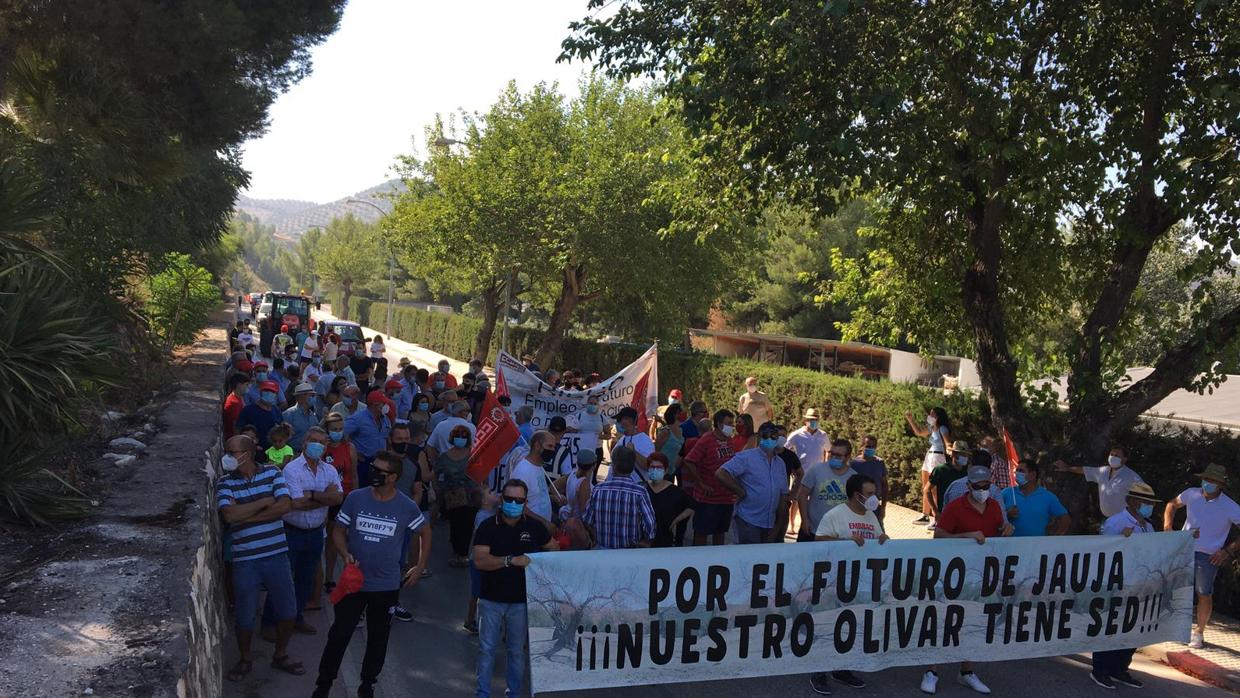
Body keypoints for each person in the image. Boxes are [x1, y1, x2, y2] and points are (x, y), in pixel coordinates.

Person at [312, 450, 431, 698]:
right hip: (353, 583)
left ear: (393, 478)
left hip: (386, 587)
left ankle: (367, 685)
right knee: (339, 633)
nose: (372, 472)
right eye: (373, 467)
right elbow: (338, 531)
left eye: (379, 471)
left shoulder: (405, 506)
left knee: (378, 638)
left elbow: (425, 532)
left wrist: (419, 566)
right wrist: (344, 554)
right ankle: (323, 685)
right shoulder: (356, 498)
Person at [217, 435, 302, 682]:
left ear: (248, 453)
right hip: (246, 560)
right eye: (227, 451)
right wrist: (265, 502)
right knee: (244, 614)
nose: (228, 457)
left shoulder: (273, 473)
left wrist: (245, 517)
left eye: (232, 452)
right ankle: (245, 659)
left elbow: (284, 506)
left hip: (276, 556)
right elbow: (229, 515)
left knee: (288, 610)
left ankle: (281, 654)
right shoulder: (224, 483)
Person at [925, 465, 1012, 695]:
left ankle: (966, 671)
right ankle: (931, 671)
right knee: (945, 621)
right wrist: (965, 536)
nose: (982, 490)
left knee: (974, 621)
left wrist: (1006, 529)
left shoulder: (994, 506)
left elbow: (998, 528)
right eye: (978, 486)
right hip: (954, 573)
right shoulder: (955, 507)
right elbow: (938, 535)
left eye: (986, 486)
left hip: (983, 574)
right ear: (968, 486)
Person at [472, 479, 557, 698]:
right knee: (487, 649)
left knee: (516, 652)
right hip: (491, 599)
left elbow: (554, 550)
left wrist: (541, 568)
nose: (513, 503)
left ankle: (514, 694)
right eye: (509, 499)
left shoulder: (534, 527)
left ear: (525, 502)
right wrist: (510, 560)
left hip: (521, 601)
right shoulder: (488, 526)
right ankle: (482, 694)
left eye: (518, 500)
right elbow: (480, 561)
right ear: (501, 499)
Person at [809, 473, 887, 694]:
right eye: (871, 494)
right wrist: (845, 543)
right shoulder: (835, 515)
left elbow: (877, 539)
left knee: (851, 628)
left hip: (860, 583)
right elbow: (819, 542)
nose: (875, 498)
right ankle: (819, 672)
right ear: (857, 495)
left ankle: (841, 669)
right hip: (834, 581)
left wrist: (884, 540)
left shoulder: (871, 515)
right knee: (827, 627)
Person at [263, 428, 342, 637]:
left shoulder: (329, 470)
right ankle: (270, 622)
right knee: (282, 579)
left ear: (326, 447)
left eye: (322, 442)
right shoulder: (292, 469)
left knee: (305, 579)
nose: (317, 445)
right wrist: (324, 497)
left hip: (316, 533)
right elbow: (295, 503)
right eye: (313, 441)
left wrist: (313, 495)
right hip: (291, 532)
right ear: (305, 443)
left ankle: (296, 617)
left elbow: (338, 499)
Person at [1092, 481, 1161, 689]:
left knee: (1132, 627)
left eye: (1151, 502)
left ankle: (1120, 668)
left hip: (1139, 584)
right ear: (1132, 501)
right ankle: (1101, 669)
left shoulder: (1148, 526)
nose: (1148, 506)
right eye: (1144, 501)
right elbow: (1102, 549)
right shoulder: (1115, 522)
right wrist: (1121, 539)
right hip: (1117, 582)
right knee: (1112, 626)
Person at [1164, 463, 1240, 649]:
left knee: (1204, 593)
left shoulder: (1229, 506)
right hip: (1184, 548)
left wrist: (1227, 551)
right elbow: (1172, 504)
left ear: (1221, 484)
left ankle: (1198, 632)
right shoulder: (1192, 493)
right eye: (1207, 479)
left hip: (1208, 555)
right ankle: (1177, 628)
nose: (1208, 483)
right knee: (1177, 588)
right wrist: (1168, 526)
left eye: (1213, 481)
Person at [716, 422, 789, 544]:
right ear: (759, 437)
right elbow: (721, 473)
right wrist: (739, 491)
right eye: (765, 436)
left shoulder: (780, 463)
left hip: (770, 522)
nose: (769, 439)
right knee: (747, 558)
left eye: (773, 437)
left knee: (764, 560)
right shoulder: (746, 458)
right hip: (748, 520)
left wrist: (778, 524)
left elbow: (782, 494)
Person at [582, 446, 656, 549]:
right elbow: (650, 525)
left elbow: (587, 520)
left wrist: (596, 537)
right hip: (629, 552)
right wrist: (644, 542)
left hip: (602, 550)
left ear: (613, 465)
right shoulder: (640, 492)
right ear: (632, 466)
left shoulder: (598, 489)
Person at [682, 410, 738, 546]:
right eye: (728, 423)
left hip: (726, 498)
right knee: (702, 532)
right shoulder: (707, 439)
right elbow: (689, 461)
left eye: (732, 423)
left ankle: (717, 561)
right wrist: (700, 483)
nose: (732, 426)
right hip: (708, 498)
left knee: (720, 532)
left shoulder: (730, 441)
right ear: (719, 424)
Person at [1055, 445, 1146, 519]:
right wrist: (1067, 468)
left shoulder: (1131, 476)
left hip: (1125, 521)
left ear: (1125, 459)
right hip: (1107, 519)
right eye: (1111, 454)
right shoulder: (1103, 471)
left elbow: (1145, 496)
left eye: (1116, 455)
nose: (1112, 457)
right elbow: (1084, 470)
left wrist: (1139, 517)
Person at [796, 438, 858, 542]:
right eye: (831, 453)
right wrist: (804, 519)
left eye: (838, 455)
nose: (833, 457)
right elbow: (802, 494)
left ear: (848, 457)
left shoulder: (854, 477)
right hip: (811, 530)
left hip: (837, 535)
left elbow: (856, 506)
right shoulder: (816, 470)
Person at [321, 412, 357, 592]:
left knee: (349, 539)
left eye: (340, 429)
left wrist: (356, 497)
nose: (338, 432)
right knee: (333, 539)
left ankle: (349, 575)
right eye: (334, 429)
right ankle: (329, 577)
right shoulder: (322, 449)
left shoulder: (349, 448)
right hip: (329, 499)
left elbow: (354, 474)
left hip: (347, 496)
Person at [435, 425, 480, 568]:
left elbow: (481, 472)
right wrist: (438, 489)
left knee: (467, 525)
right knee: (455, 524)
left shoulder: (473, 454)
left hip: (471, 496)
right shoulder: (445, 456)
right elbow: (436, 473)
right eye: (458, 435)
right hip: (452, 495)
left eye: (464, 436)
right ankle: (456, 552)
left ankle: (464, 554)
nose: (461, 438)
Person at [999, 458, 1070, 537]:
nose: (1016, 473)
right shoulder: (1006, 493)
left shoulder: (1048, 497)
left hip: (1037, 546)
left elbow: (1065, 519)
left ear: (1033, 475)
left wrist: (1055, 539)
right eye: (1016, 470)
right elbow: (993, 518)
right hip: (1010, 545)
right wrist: (1007, 515)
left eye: (1021, 471)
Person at [905, 407, 952, 525]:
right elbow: (919, 432)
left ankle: (937, 517)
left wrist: (951, 450)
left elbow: (948, 442)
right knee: (925, 486)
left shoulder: (942, 428)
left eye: (932, 414)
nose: (929, 416)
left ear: (938, 417)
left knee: (934, 489)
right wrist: (910, 420)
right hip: (929, 456)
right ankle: (925, 515)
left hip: (938, 457)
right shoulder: (932, 428)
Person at [344, 390, 393, 493]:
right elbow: (342, 432)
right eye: (383, 403)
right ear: (375, 404)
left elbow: (387, 438)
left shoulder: (385, 419)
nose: (385, 405)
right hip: (364, 463)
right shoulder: (358, 418)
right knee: (364, 491)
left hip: (380, 463)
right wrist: (354, 453)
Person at [645, 452, 694, 548]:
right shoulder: (642, 488)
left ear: (666, 470)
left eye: (659, 468)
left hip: (665, 542)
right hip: (644, 542)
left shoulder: (675, 492)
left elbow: (692, 506)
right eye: (652, 467)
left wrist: (676, 521)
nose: (655, 470)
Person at [510, 431, 558, 522]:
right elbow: (517, 505)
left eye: (554, 447)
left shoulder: (539, 466)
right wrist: (544, 523)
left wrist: (552, 498)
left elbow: (534, 496)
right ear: (537, 445)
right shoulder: (523, 471)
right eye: (549, 446)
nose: (553, 450)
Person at [849, 434, 888, 524]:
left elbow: (885, 485)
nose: (871, 448)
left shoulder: (879, 463)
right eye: (868, 446)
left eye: (873, 446)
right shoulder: (854, 464)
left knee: (879, 534)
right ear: (862, 446)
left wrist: (883, 507)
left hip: (875, 507)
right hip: (858, 506)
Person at [610, 406, 655, 480]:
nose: (618, 423)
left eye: (620, 419)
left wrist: (633, 452)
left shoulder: (645, 441)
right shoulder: (623, 438)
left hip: (636, 487)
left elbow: (648, 466)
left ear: (631, 420)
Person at [426, 398, 478, 463]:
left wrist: (435, 463)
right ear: (459, 412)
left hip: (443, 465)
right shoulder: (472, 427)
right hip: (462, 466)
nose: (468, 413)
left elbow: (430, 446)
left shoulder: (441, 425)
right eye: (466, 411)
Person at [567, 394, 612, 469]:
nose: (593, 405)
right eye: (591, 403)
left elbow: (608, 435)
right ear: (587, 404)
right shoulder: (579, 416)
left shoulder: (602, 418)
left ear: (598, 405)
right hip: (581, 448)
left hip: (597, 449)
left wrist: (599, 436)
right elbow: (573, 430)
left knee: (593, 473)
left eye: (595, 404)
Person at [238, 380, 285, 450]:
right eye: (266, 391)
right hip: (252, 451)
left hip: (272, 453)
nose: (269, 393)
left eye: (272, 392)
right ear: (260, 392)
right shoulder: (248, 410)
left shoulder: (276, 410)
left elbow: (281, 432)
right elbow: (238, 430)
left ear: (276, 394)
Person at [283, 383, 320, 452]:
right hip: (293, 454)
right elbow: (282, 438)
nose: (313, 397)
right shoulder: (289, 414)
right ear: (300, 396)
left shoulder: (312, 415)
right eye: (311, 395)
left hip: (310, 454)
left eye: (313, 395)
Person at [653, 403, 686, 477]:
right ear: (675, 415)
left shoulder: (681, 430)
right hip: (662, 472)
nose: (684, 414)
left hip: (672, 472)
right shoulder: (665, 432)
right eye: (681, 412)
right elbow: (655, 450)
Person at [223, 373, 249, 440]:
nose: (247, 387)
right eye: (246, 385)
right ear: (239, 385)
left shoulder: (238, 397)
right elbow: (236, 427)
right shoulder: (234, 403)